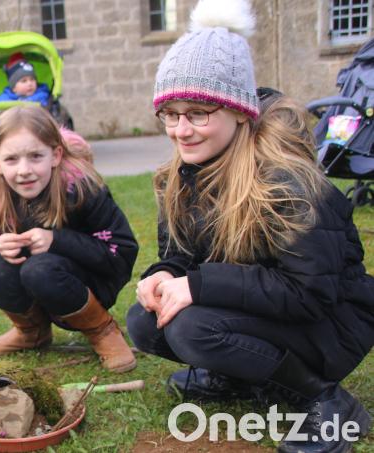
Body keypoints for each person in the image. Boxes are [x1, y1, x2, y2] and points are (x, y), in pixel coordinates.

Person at [126, 1, 373, 452]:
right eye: (171, 114)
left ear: (239, 111)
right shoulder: (179, 176)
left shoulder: (286, 183)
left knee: (191, 328)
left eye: (199, 112)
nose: (182, 130)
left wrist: (198, 286)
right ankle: (238, 376)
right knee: (146, 322)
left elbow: (310, 293)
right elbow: (182, 255)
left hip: (332, 324)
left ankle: (326, 400)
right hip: (266, 312)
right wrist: (164, 274)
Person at [0, 104, 139, 373]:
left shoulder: (82, 189)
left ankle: (102, 330)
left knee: (40, 269)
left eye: (36, 156)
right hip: (41, 280)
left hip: (92, 281)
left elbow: (121, 253)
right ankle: (31, 332)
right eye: (11, 160)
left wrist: (57, 240)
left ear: (56, 155)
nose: (24, 170)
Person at [0, 53, 51, 126]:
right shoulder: (3, 99)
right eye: (24, 81)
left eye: (32, 80)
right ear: (14, 88)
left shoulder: (41, 95)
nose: (29, 84)